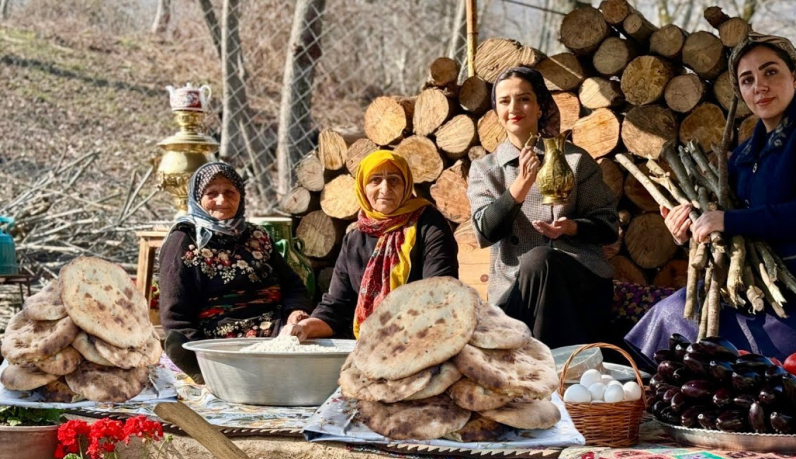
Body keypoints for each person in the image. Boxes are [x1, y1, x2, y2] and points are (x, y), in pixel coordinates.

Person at [625, 33, 796, 367]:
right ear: (740, 92)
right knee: (672, 313)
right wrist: (690, 230)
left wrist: (727, 220)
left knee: (730, 353)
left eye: (771, 72)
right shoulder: (743, 156)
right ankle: (625, 405)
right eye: (747, 79)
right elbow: (730, 233)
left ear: (795, 77)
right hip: (758, 297)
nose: (760, 85)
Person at [466, 66, 619, 349]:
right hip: (514, 293)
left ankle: (537, 367)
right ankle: (558, 367)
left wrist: (571, 227)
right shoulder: (485, 170)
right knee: (536, 260)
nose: (514, 108)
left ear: (540, 107)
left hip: (578, 285)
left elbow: (608, 226)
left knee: (541, 259)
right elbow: (484, 232)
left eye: (524, 99)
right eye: (504, 101)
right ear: (496, 111)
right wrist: (520, 186)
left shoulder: (573, 160)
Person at [159, 162, 312, 378]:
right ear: (197, 199)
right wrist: (203, 356)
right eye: (212, 193)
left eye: (230, 192)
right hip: (221, 336)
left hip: (277, 327)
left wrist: (294, 313)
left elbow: (293, 286)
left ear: (241, 196)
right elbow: (174, 315)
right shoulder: (183, 241)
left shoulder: (257, 235)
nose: (222, 201)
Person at [285, 150, 459, 340]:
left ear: (406, 185)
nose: (385, 189)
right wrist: (305, 327)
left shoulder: (429, 224)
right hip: (368, 344)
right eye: (375, 180)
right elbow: (336, 306)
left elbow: (439, 292)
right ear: (362, 187)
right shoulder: (355, 239)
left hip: (420, 339)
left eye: (394, 180)